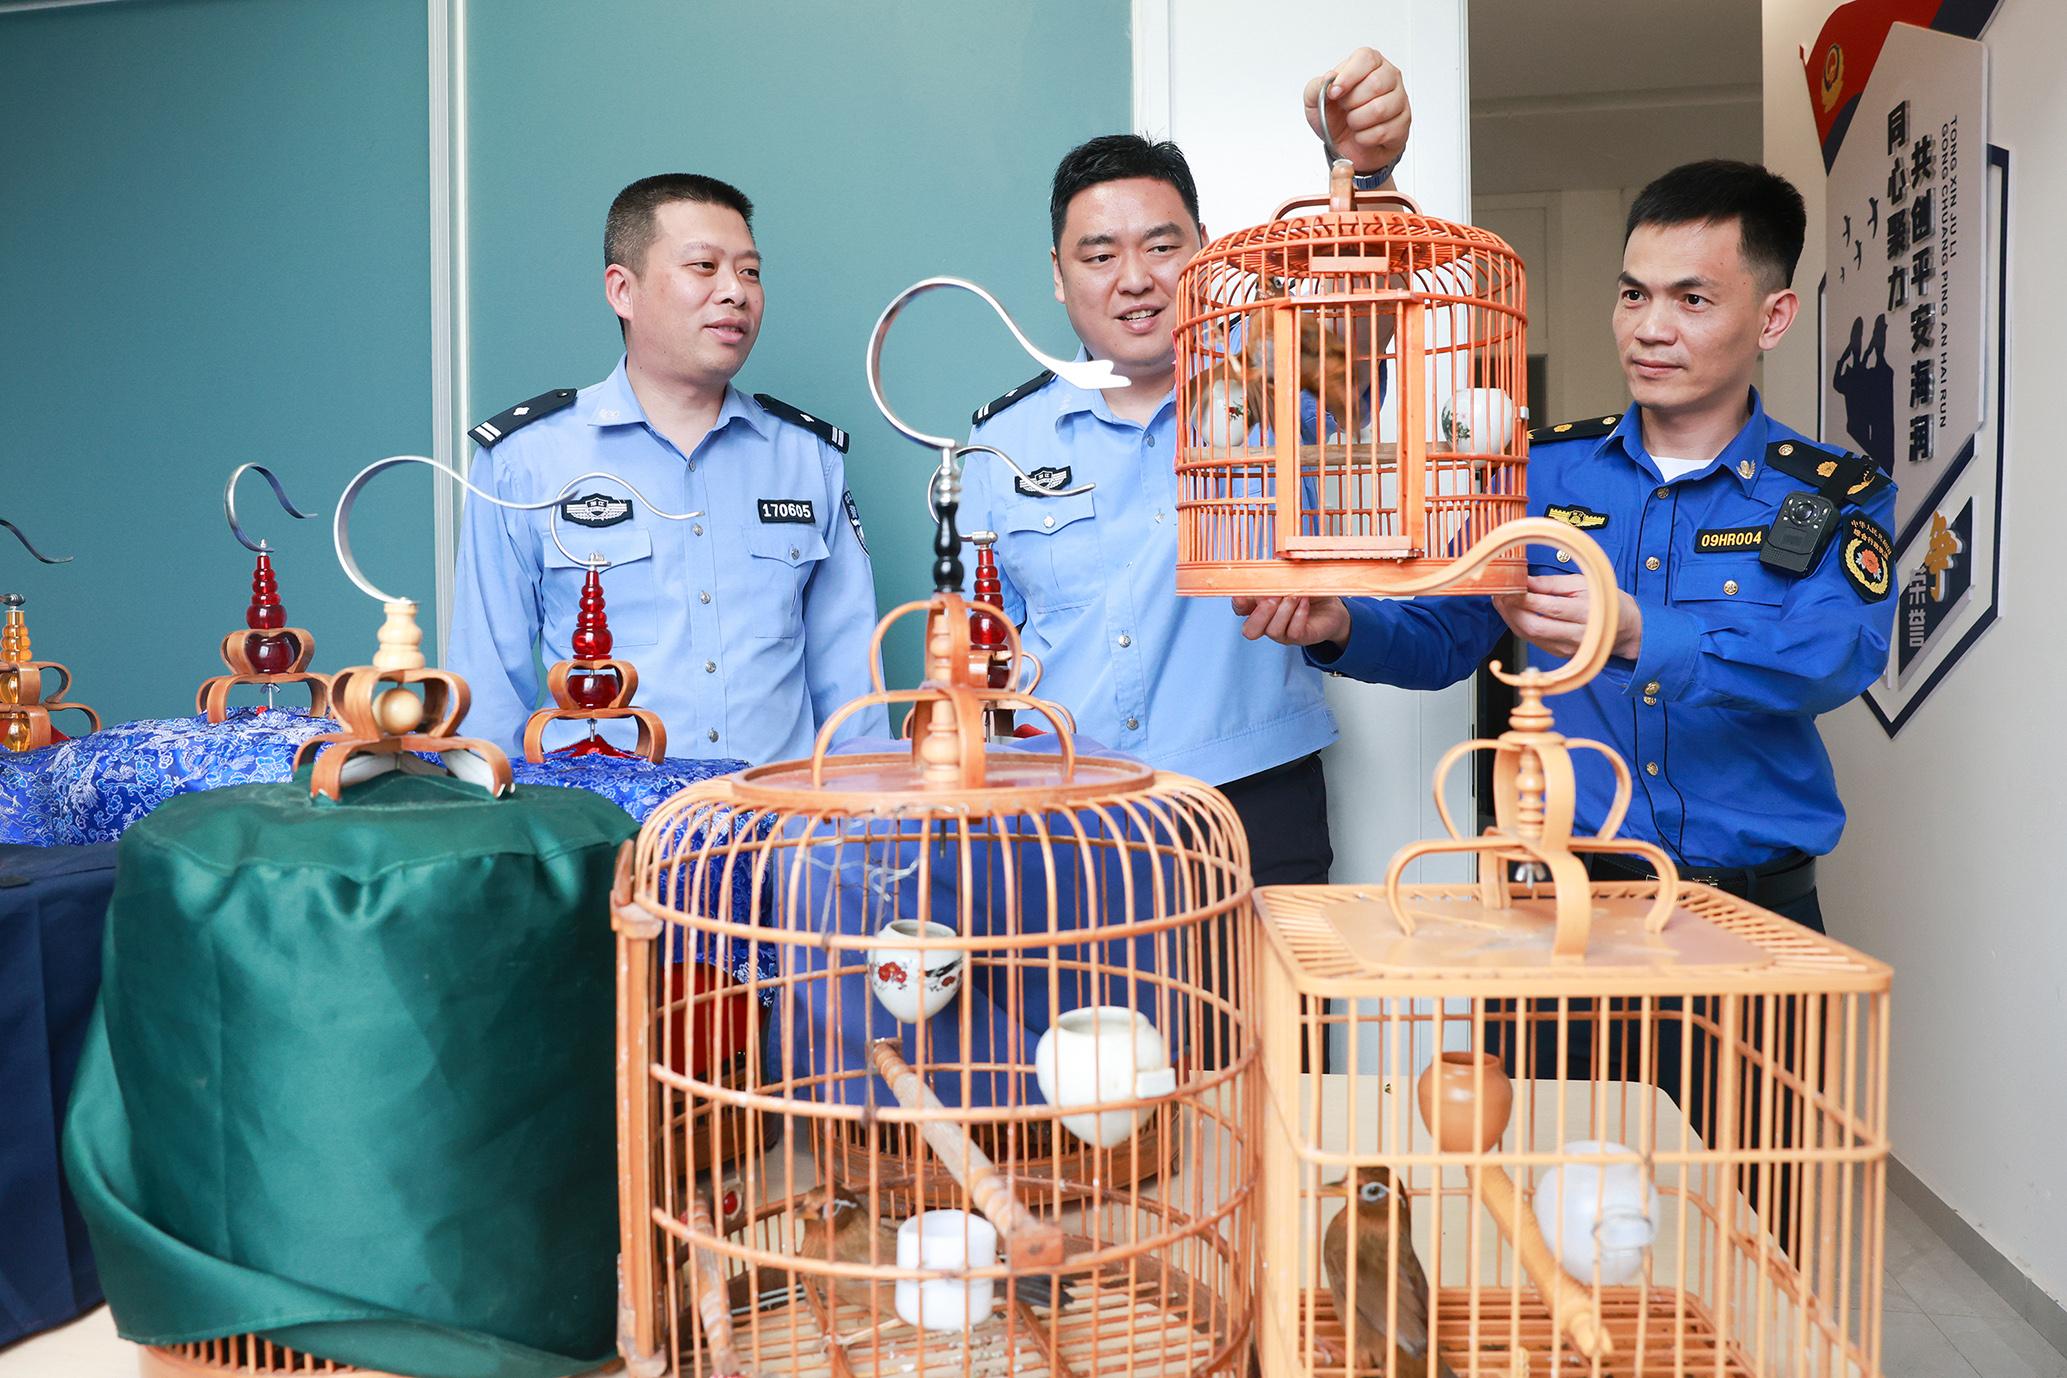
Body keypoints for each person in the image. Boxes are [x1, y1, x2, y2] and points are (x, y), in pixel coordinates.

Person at [1238, 158, 1897, 932]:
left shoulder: (1830, 493)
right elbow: (1445, 636)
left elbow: (1832, 658)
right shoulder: (1537, 472)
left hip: (1756, 916)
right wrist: (1341, 622)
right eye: (1633, 294)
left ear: (1771, 318)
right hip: (1572, 913)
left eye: (1691, 299)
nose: (1649, 328)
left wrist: (1637, 632)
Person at [959, 48, 1412, 888]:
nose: (1135, 279)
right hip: (1063, 819)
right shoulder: (999, 443)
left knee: (1264, 986)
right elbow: (986, 656)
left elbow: (1361, 322)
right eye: (1099, 256)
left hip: (1251, 803)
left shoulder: (1275, 374)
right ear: (1058, 276)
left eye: (1161, 246)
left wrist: (1367, 176)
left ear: (1204, 251)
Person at [447, 173, 886, 762]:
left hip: (775, 815)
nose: (735, 292)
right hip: (604, 815)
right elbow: (486, 698)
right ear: (622, 291)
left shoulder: (808, 458)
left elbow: (853, 694)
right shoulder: (524, 460)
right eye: (704, 266)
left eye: (750, 272)